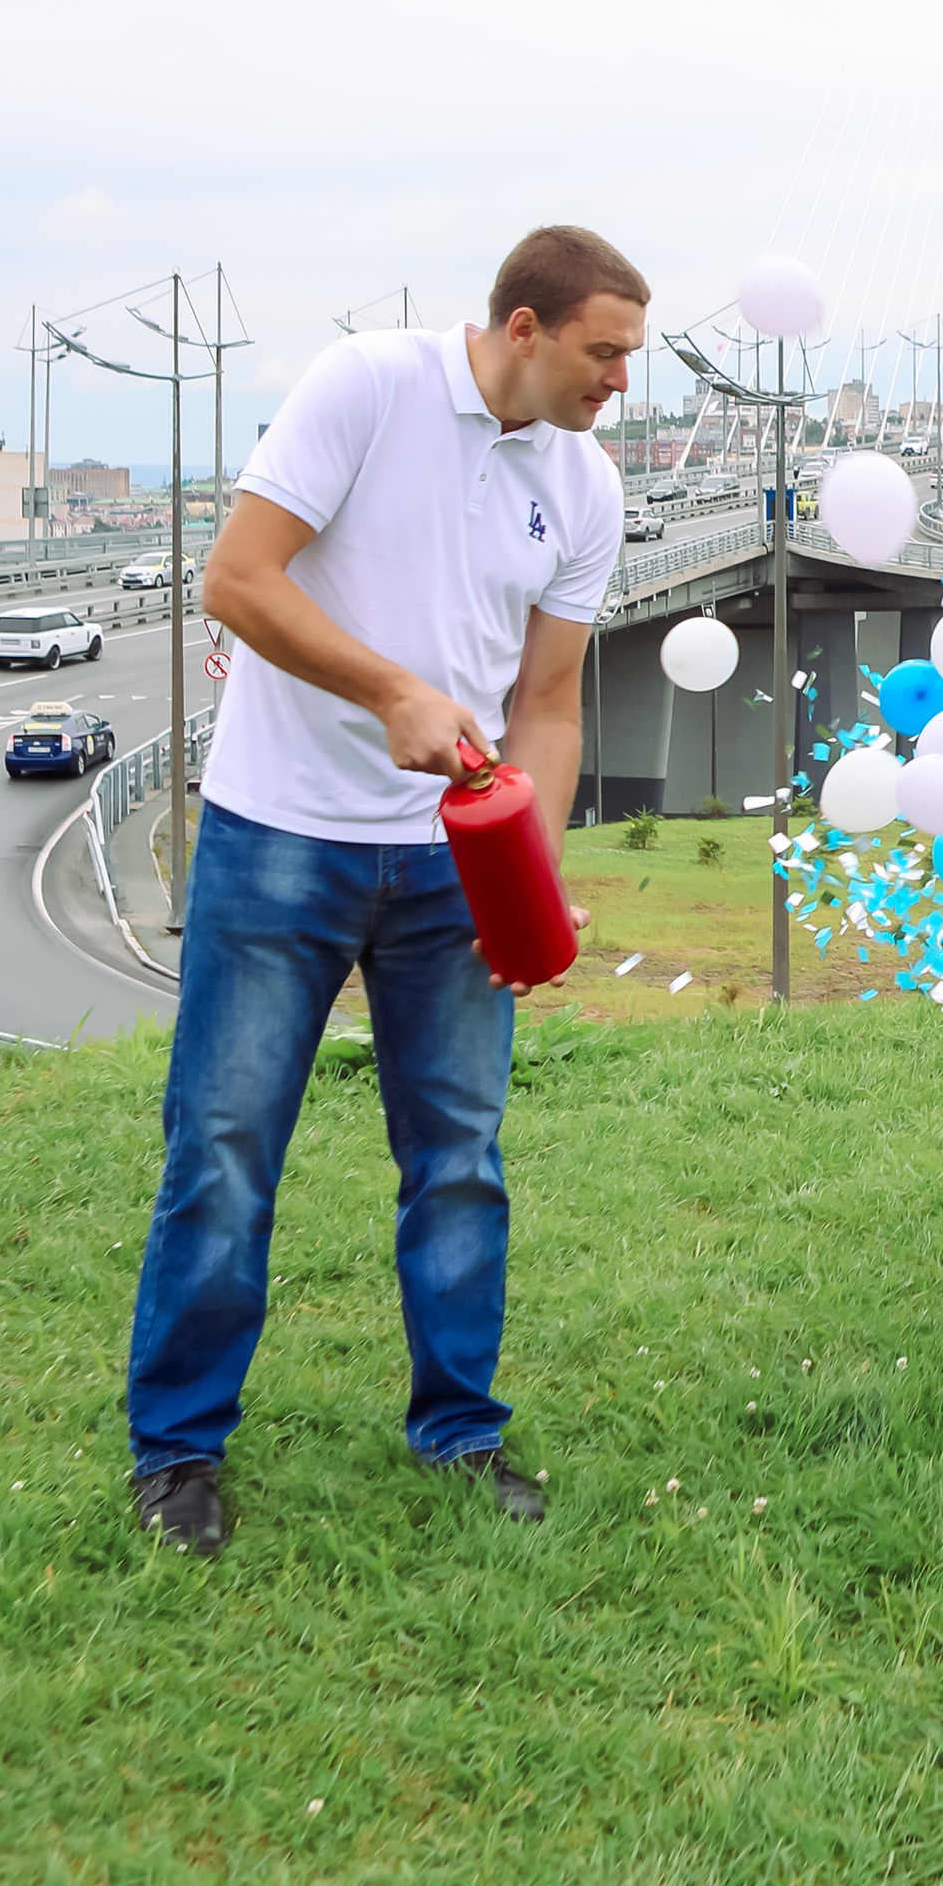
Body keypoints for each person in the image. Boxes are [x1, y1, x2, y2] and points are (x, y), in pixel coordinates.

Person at [125, 226, 646, 1555]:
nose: (620, 383)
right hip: (276, 838)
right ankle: (178, 1453)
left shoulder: (586, 487)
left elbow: (544, 704)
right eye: (604, 353)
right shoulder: (369, 382)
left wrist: (527, 872)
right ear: (522, 328)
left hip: (443, 870)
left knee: (460, 1159)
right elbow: (235, 581)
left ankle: (460, 1433)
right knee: (227, 1149)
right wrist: (394, 691)